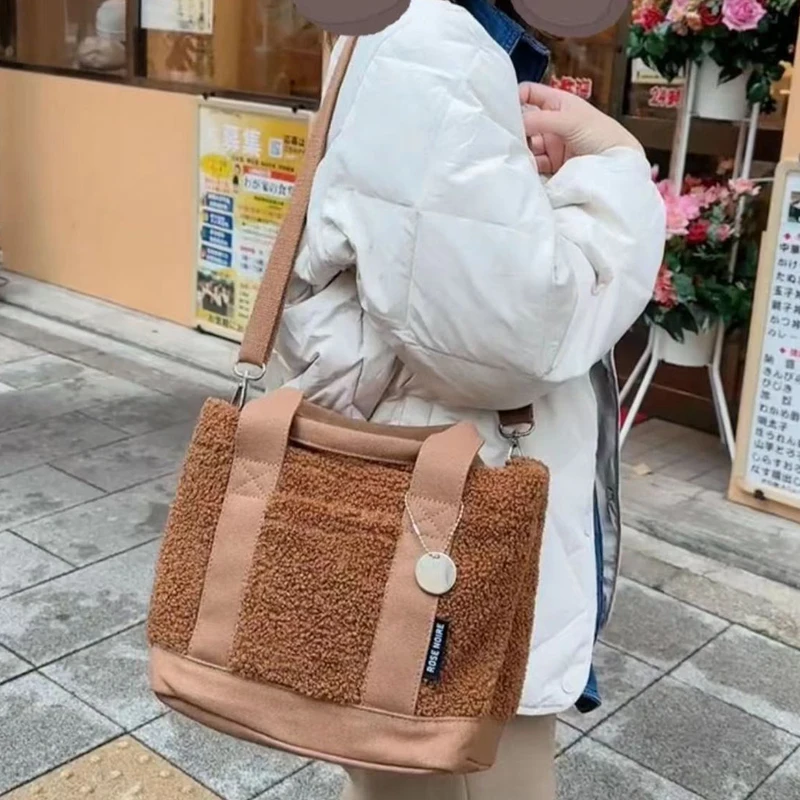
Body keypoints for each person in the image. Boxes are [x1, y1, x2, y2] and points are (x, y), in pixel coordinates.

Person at [268, 0, 666, 797]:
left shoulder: (426, 37)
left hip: (437, 497)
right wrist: (617, 166)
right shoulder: (436, 42)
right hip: (452, 522)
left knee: (399, 767)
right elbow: (517, 337)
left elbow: (446, 281)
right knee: (462, 772)